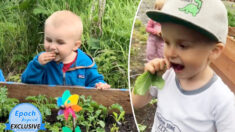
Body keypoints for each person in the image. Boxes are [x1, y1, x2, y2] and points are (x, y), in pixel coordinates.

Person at [132, 0, 235, 131]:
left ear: (214, 51)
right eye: (167, 42)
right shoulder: (166, 75)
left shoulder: (221, 101)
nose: (170, 53)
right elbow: (136, 103)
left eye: (183, 46)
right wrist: (148, 77)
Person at [22, 10, 110, 89]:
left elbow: (94, 81)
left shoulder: (84, 63)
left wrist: (99, 85)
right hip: (48, 103)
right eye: (48, 40)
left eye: (60, 42)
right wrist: (37, 65)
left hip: (77, 105)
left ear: (75, 45)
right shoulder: (42, 61)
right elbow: (26, 82)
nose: (52, 46)